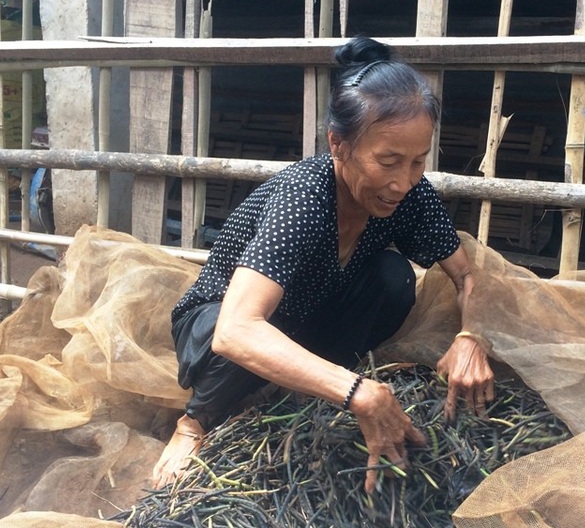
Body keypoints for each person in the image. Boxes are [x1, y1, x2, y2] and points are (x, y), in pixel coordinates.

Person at [152, 36, 494, 492]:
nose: (402, 182)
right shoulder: (305, 197)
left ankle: (309, 386)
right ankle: (193, 424)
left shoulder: (411, 195)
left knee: (392, 277)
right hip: (218, 327)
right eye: (388, 161)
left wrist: (471, 337)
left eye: (417, 162)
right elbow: (237, 330)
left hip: (309, 313)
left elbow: (467, 274)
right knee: (256, 326)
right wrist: (359, 392)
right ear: (338, 144)